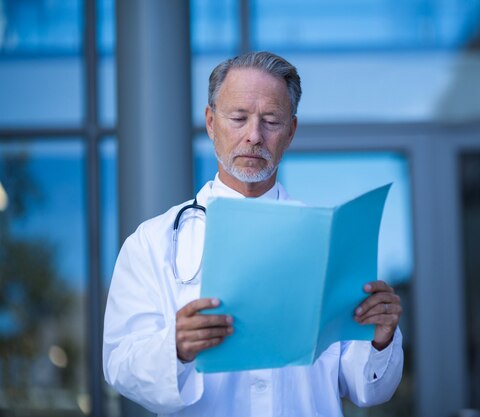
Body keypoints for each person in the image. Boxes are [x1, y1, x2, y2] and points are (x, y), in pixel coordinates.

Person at [103, 51, 404, 417]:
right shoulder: (153, 241)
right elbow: (119, 365)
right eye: (239, 118)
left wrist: (380, 337)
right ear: (211, 123)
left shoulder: (330, 241)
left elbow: (365, 388)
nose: (254, 136)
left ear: (291, 131)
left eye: (271, 121)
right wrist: (176, 348)